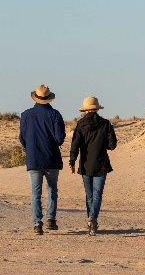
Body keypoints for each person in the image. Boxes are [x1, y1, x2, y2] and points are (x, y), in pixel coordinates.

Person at [19, 84, 66, 235]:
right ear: (49, 99)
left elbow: (22, 138)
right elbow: (59, 138)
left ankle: (37, 223)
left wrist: (31, 147)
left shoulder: (26, 115)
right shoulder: (55, 115)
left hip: (34, 158)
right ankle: (51, 220)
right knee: (52, 189)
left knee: (35, 192)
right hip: (51, 158)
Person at [69, 96, 117, 236]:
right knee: (97, 194)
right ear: (96, 108)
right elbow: (112, 145)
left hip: (85, 165)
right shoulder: (106, 124)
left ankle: (91, 219)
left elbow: (75, 146)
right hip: (101, 164)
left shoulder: (80, 125)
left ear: (85, 110)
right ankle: (93, 218)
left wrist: (71, 162)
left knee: (89, 194)